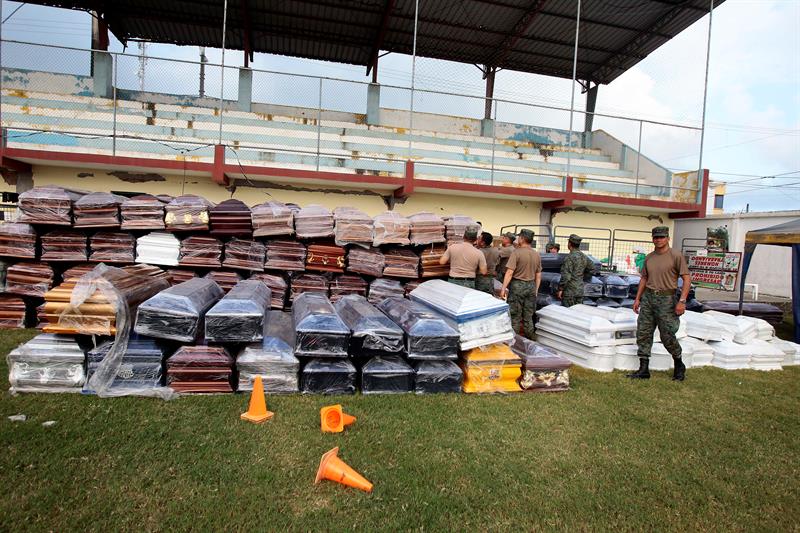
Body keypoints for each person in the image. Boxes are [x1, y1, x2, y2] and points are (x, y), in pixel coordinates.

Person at [628, 226, 691, 381]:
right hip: (649, 298)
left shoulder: (676, 256)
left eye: (662, 237)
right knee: (643, 332)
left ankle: (678, 363)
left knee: (667, 334)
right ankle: (643, 369)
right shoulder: (649, 257)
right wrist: (637, 299)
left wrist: (682, 301)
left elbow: (687, 279)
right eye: (656, 237)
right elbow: (644, 278)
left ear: (667, 238)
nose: (658, 240)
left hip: (667, 299)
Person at [500, 228, 542, 340]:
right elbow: (538, 274)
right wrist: (536, 290)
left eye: (519, 237)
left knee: (515, 316)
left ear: (522, 239)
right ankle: (531, 342)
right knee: (528, 316)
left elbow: (509, 272)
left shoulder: (516, 253)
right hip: (531, 286)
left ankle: (514, 342)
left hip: (517, 287)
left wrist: (503, 289)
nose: (518, 238)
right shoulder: (536, 254)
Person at [557, 234, 594, 307]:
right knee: (578, 314)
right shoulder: (584, 256)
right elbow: (592, 268)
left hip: (569, 292)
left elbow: (566, 276)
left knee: (568, 314)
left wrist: (560, 289)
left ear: (569, 244)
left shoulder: (569, 258)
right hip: (580, 291)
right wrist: (582, 277)